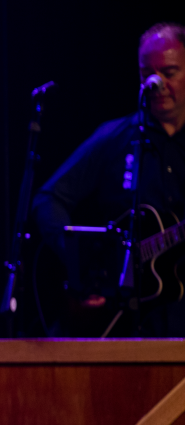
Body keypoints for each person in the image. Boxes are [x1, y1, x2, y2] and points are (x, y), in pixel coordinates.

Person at [33, 22, 185, 335]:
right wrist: (82, 262)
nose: (156, 83)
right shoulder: (115, 137)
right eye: (147, 74)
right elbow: (49, 199)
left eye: (169, 73)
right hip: (125, 325)